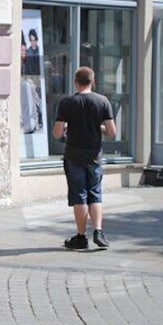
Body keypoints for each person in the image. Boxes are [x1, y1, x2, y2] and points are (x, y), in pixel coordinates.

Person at [52, 66, 117, 250]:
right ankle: (98, 231)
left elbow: (57, 133)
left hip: (73, 155)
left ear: (75, 82)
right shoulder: (103, 101)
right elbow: (112, 132)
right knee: (95, 193)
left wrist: (65, 128)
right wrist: (99, 127)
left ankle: (81, 237)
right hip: (94, 155)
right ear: (93, 82)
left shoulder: (67, 102)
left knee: (79, 195)